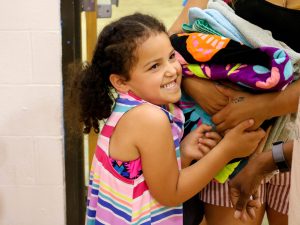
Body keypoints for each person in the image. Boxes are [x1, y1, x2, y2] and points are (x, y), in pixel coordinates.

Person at [70, 13, 265, 225]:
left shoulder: (129, 109)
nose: (172, 70)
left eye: (171, 57)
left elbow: (146, 178)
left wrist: (182, 153)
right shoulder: (149, 117)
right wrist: (227, 150)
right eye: (154, 66)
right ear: (121, 82)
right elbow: (170, 194)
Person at [169, 0, 300, 225]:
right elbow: (168, 43)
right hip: (226, 141)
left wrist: (260, 107)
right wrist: (193, 83)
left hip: (293, 140)